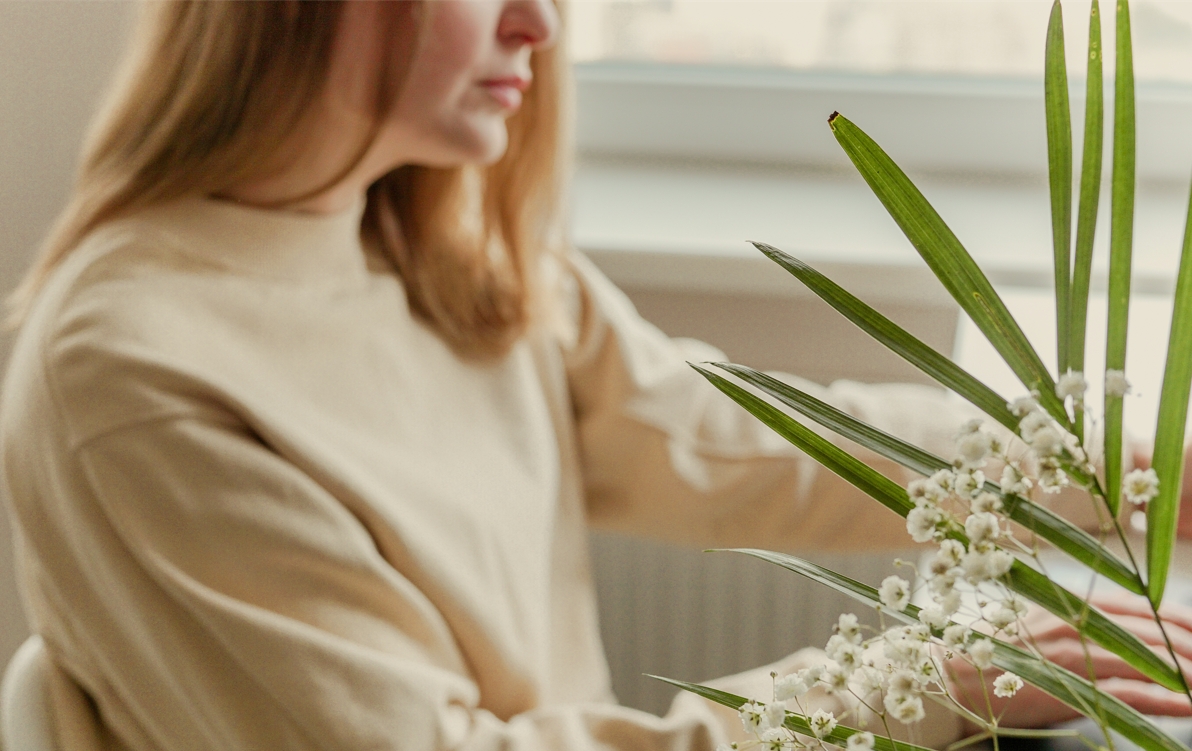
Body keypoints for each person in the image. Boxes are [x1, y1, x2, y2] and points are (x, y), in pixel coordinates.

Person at [2, 2, 1190, 750]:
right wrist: (922, 682)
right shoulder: (134, 374)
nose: (539, 25)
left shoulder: (429, 238)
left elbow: (728, 442)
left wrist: (1133, 474)